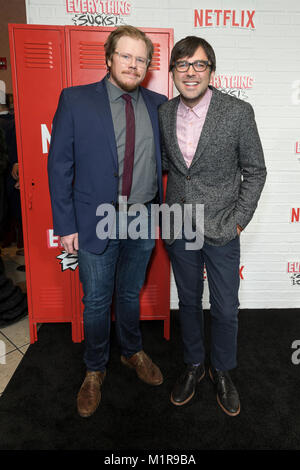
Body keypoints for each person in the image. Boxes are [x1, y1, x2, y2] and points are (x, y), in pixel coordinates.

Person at [48, 26, 167, 418]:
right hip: (95, 221)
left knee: (130, 294)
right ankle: (95, 368)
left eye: (141, 58)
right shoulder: (76, 100)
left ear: (149, 66)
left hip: (142, 216)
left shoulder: (158, 104)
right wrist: (66, 225)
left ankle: (131, 352)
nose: (133, 64)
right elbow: (60, 164)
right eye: (126, 56)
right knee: (97, 301)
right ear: (109, 58)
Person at [159, 36, 266, 416]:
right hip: (178, 226)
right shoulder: (163, 112)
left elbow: (255, 171)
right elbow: (165, 169)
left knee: (224, 308)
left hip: (222, 227)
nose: (191, 72)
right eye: (182, 65)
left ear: (211, 71)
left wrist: (238, 221)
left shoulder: (237, 112)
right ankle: (194, 366)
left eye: (199, 64)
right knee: (188, 302)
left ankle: (221, 370)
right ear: (172, 72)